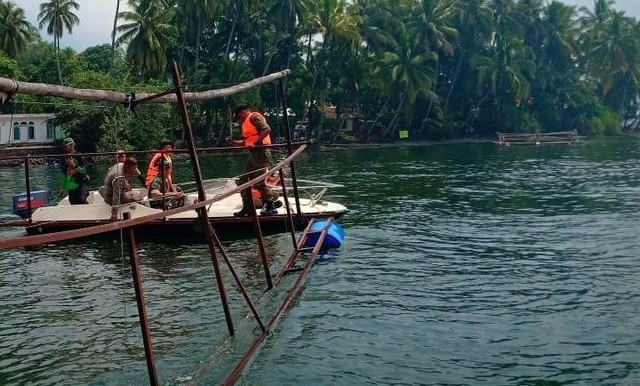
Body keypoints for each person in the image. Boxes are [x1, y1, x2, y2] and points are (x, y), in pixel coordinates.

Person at [226, 104, 278, 216]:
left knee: (259, 181)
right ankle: (248, 207)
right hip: (253, 154)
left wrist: (256, 142)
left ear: (243, 112)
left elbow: (267, 129)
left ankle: (270, 205)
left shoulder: (254, 117)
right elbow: (246, 142)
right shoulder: (246, 123)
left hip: (261, 152)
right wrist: (234, 142)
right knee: (243, 181)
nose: (240, 119)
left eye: (240, 116)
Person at [100, 157, 143, 221]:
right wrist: (114, 212)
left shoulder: (121, 165)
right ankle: (141, 210)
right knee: (138, 195)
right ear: (127, 167)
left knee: (102, 188)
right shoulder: (119, 177)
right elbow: (116, 196)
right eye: (133, 168)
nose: (134, 170)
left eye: (135, 168)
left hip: (106, 190)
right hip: (111, 197)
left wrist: (140, 178)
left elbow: (137, 172)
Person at [60, 137, 90, 205]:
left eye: (71, 145)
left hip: (82, 183)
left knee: (81, 199)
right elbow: (64, 174)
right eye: (67, 146)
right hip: (72, 185)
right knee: (73, 202)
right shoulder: (63, 158)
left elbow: (84, 170)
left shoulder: (79, 156)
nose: (69, 147)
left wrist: (74, 165)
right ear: (64, 147)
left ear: (74, 145)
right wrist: (63, 187)